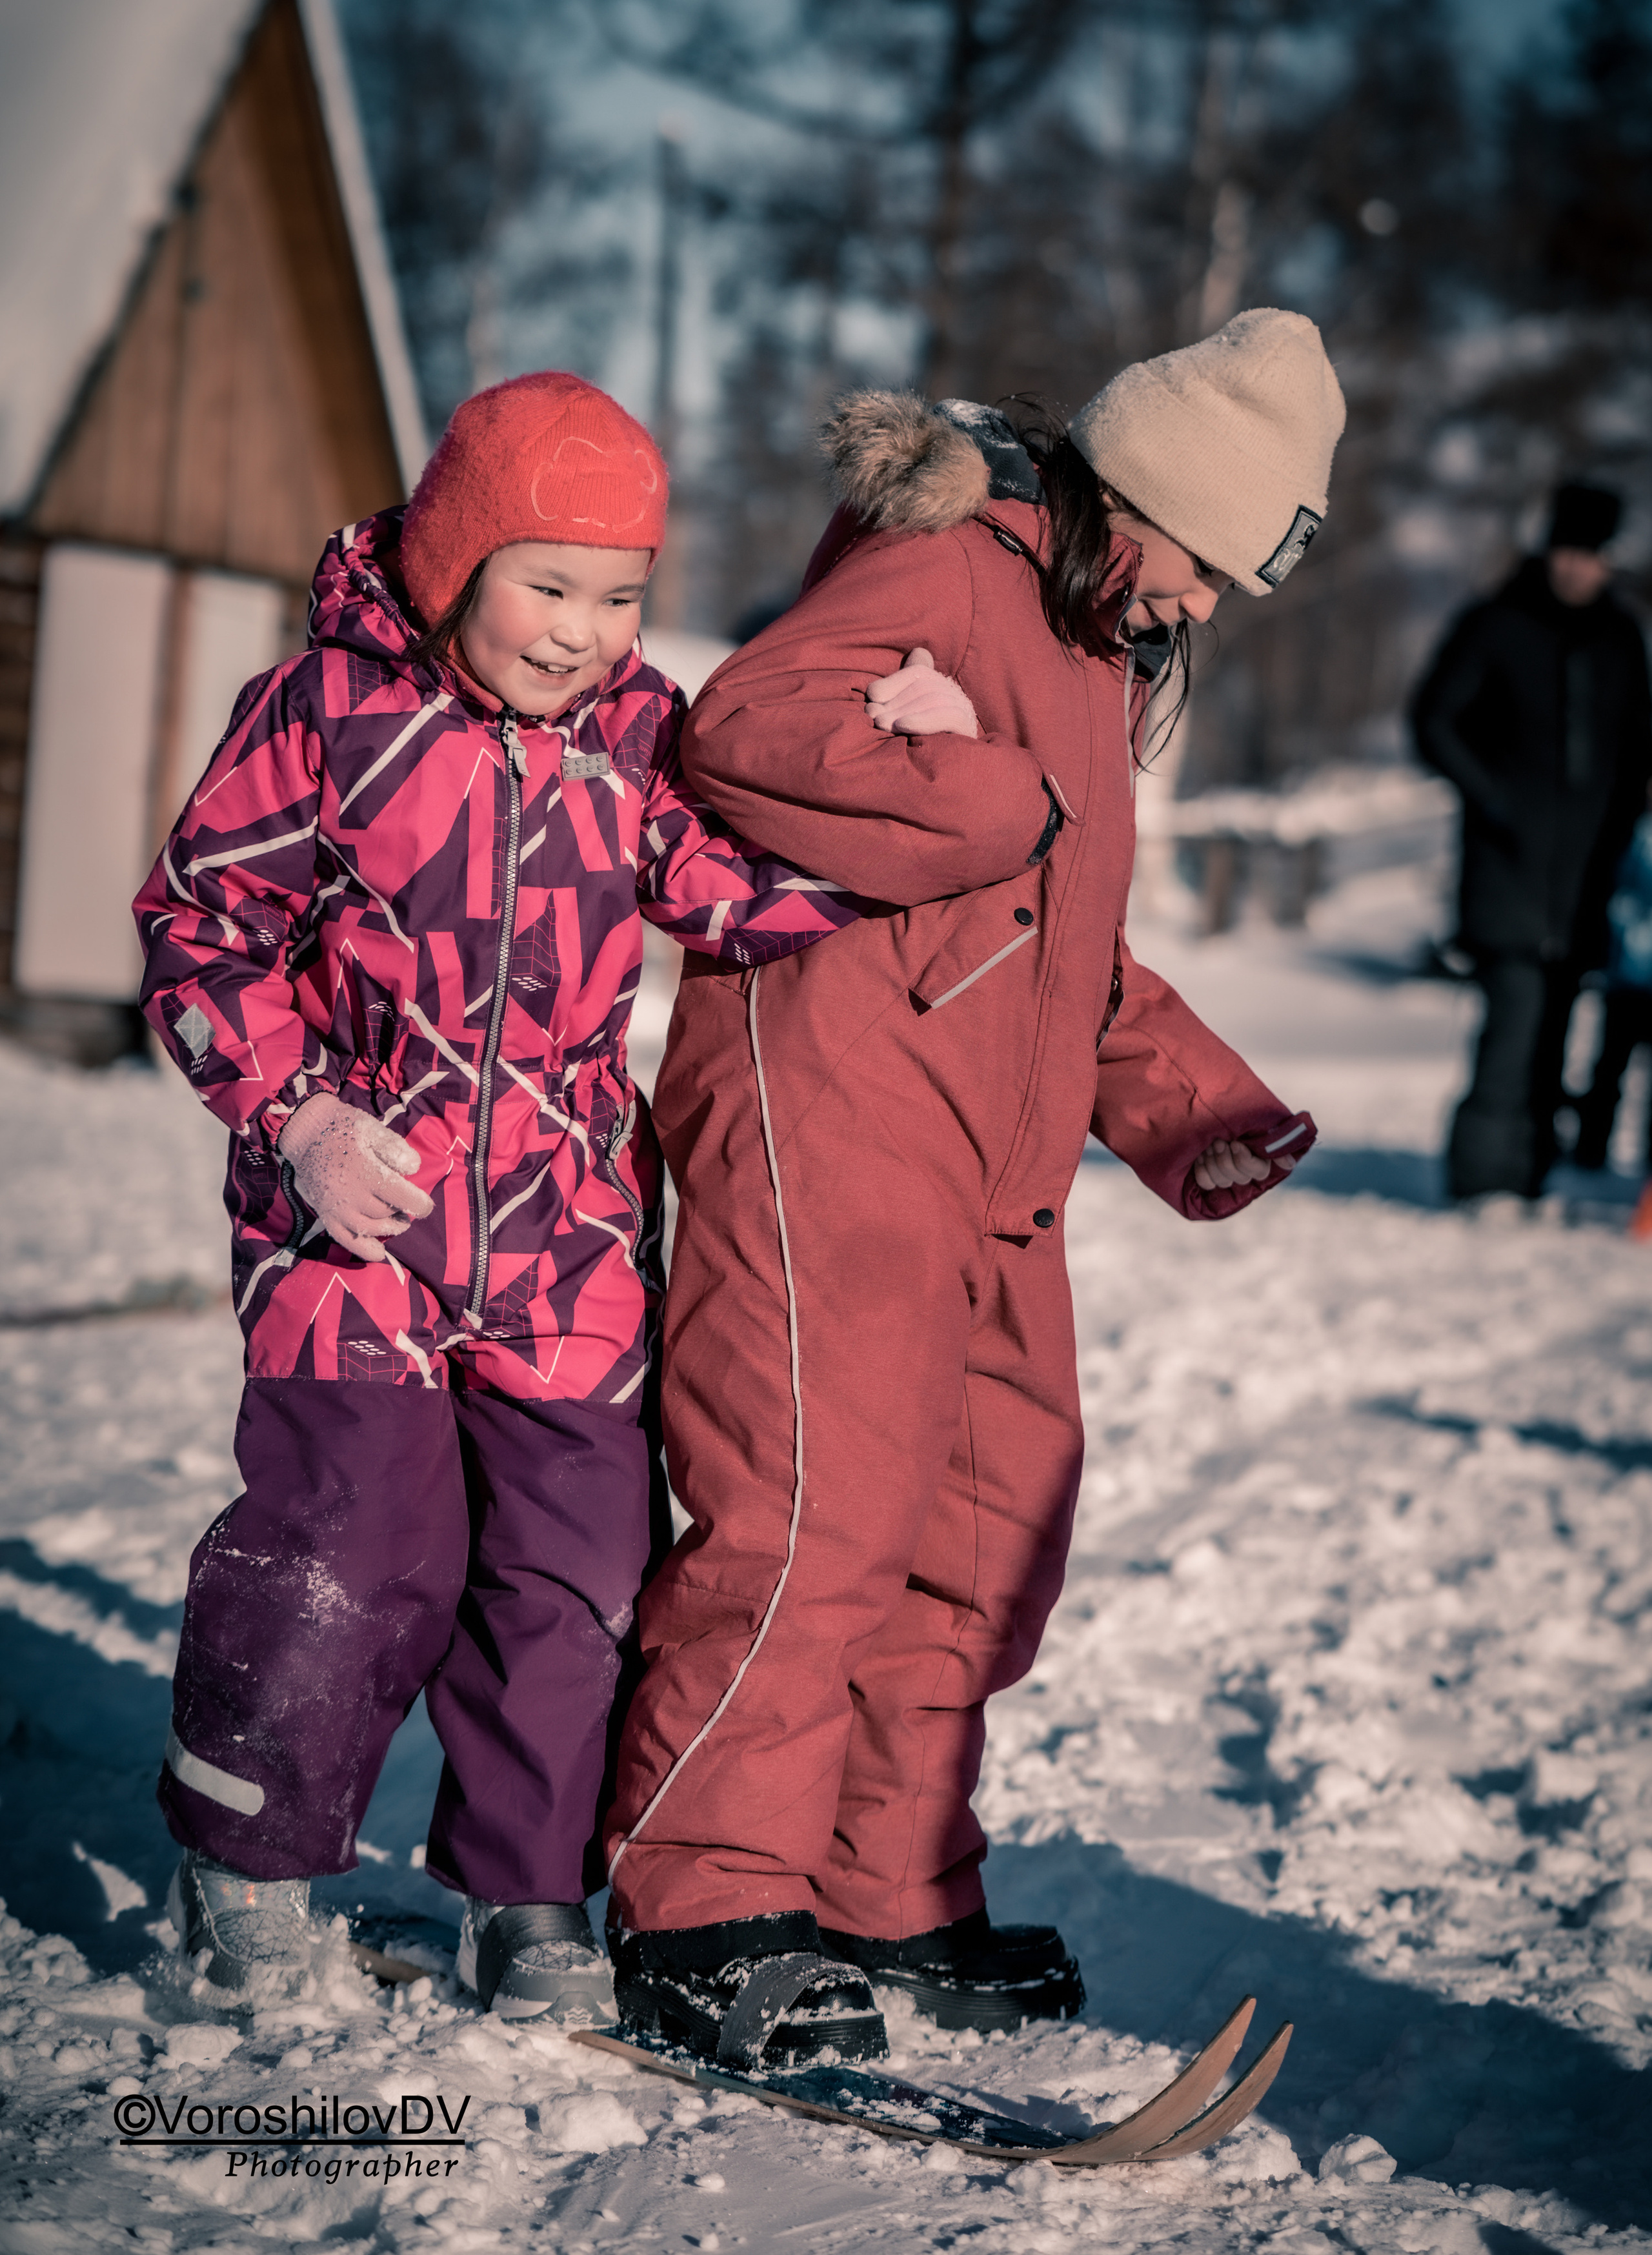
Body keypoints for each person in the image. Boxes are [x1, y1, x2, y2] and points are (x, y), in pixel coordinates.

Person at [600, 308, 1338, 2070]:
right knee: (810, 1511)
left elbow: (1056, 941)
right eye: (1210, 562)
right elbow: (750, 727)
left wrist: (1186, 1104)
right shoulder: (952, 554)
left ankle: (884, 1880)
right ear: (1141, 494)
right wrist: (984, 788)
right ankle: (702, 1898)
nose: (1205, 607)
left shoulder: (1085, 633)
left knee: (986, 1535)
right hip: (836, 1107)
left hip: (989, 1164)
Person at [133, 373, 857, 2016]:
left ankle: (530, 1900)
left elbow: (742, 895)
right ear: (455, 558)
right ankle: (244, 1871)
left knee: (575, 1568)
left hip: (566, 1231)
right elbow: (198, 927)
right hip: (352, 1219)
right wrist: (297, 1117)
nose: (582, 630)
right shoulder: (322, 711)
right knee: (356, 1540)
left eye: (618, 595)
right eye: (547, 583)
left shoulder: (635, 739)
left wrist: (898, 774)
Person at [1412, 481, 1652, 1202]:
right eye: (1567, 550)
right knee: (1512, 1026)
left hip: (1589, 879)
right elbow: (1433, 721)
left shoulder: (1619, 637)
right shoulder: (1494, 623)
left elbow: (1638, 745)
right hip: (1505, 868)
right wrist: (1494, 798)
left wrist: (1622, 827)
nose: (1578, 566)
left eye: (1593, 554)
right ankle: (1483, 1182)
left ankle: (1532, 1175)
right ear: (1547, 548)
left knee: (1555, 1030)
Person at [1572, 811, 1652, 1236]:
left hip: (1628, 970)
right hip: (1629, 975)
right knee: (1609, 1070)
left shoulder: (1631, 832)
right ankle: (1590, 1149)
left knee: (1611, 1070)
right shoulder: (1635, 833)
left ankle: (1636, 1172)